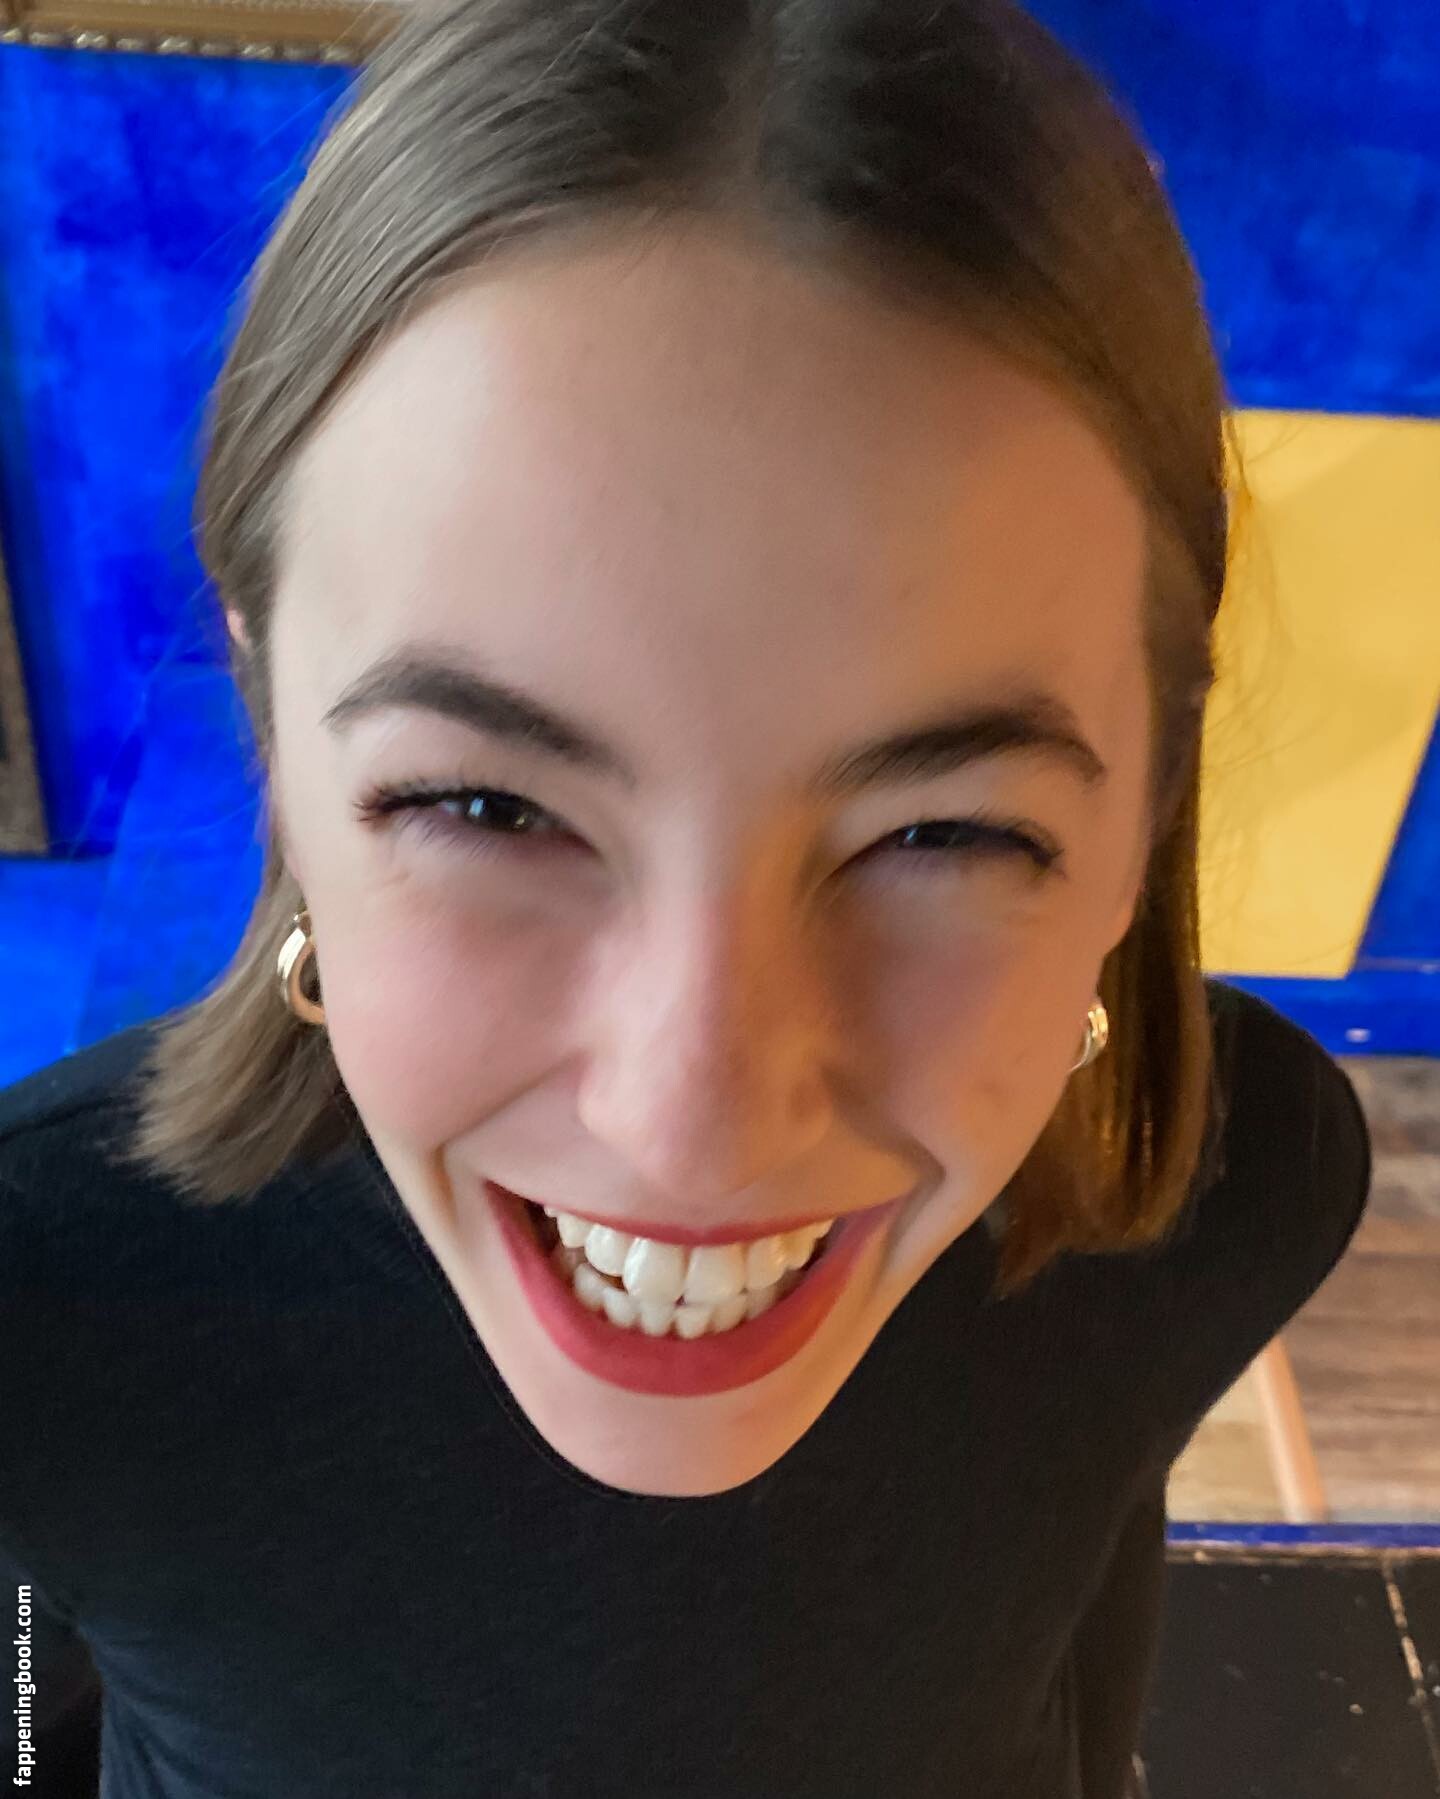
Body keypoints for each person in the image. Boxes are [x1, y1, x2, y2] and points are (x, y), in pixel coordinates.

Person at [0, 1, 1373, 1794]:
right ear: (272, 731)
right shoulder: (43, 1292)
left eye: (946, 835)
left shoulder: (1233, 1191)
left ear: (1148, 808)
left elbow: (1079, 1613)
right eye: (487, 805)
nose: (692, 1125)